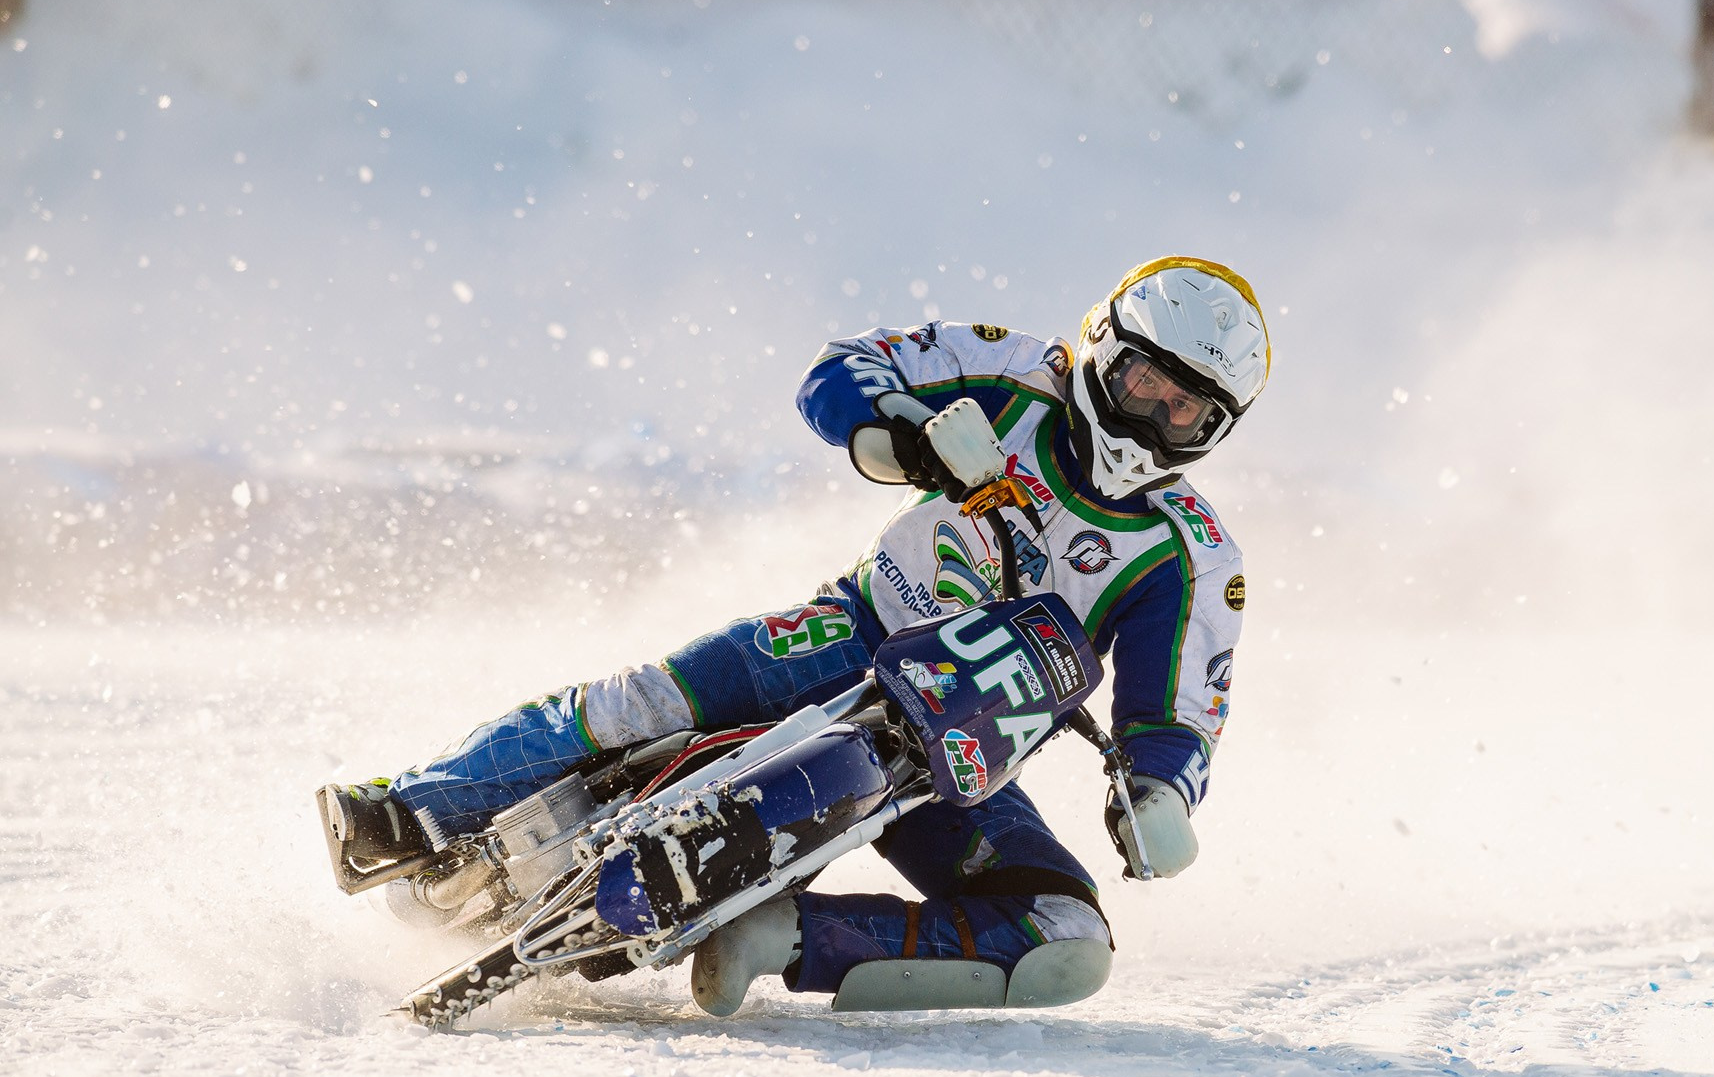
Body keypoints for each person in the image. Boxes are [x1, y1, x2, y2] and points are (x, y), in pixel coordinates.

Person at [318, 256, 1269, 1016]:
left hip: (968, 749)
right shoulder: (1010, 371)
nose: (1154, 412)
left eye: (1186, 407)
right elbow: (843, 367)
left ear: (1216, 430)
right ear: (1102, 345)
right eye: (1144, 378)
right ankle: (409, 809)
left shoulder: (1190, 557)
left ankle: (776, 937)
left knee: (1068, 939)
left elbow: (1177, 711)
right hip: (849, 628)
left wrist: (1160, 794)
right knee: (640, 699)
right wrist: (897, 434)